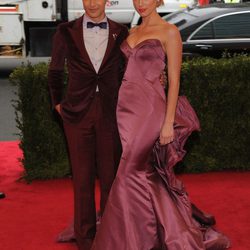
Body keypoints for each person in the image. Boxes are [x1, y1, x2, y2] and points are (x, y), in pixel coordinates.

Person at [91, 0, 230, 249]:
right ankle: (154, 232)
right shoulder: (132, 31)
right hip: (125, 112)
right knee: (143, 174)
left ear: (158, 0)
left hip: (150, 112)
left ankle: (126, 241)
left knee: (129, 172)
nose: (141, 3)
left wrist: (168, 123)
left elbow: (175, 81)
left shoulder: (169, 31)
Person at [48, 0, 128, 249]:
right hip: (77, 114)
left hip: (109, 113)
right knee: (81, 180)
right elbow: (55, 70)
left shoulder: (122, 31)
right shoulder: (66, 30)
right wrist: (58, 103)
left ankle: (108, 235)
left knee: (109, 179)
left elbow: (128, 71)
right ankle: (85, 239)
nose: (92, 3)